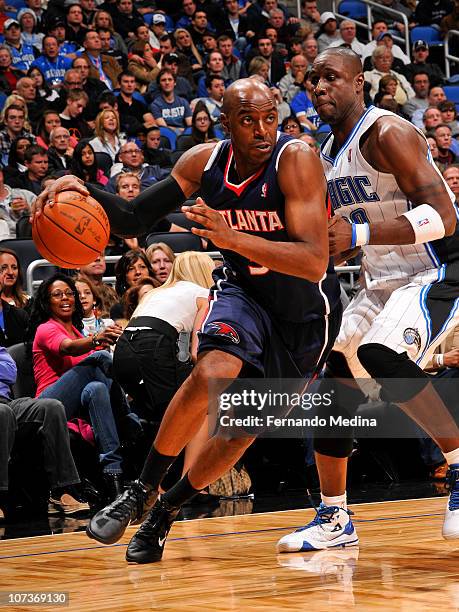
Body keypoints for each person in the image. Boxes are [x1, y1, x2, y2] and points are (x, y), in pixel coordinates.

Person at [34, 77, 340, 562]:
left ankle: (165, 512)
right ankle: (141, 490)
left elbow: (313, 261)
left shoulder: (295, 158)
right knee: (213, 369)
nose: (262, 130)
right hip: (244, 293)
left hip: (305, 314)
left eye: (269, 118)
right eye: (247, 120)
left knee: (242, 429)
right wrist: (84, 188)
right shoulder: (203, 162)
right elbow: (134, 219)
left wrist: (232, 237)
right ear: (225, 123)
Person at [275, 47, 459, 554]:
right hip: (383, 279)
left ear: (360, 83)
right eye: (312, 80)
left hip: (438, 268)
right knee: (333, 386)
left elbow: (445, 217)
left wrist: (357, 232)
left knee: (383, 355)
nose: (319, 87)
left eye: (331, 77)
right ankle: (335, 516)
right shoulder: (323, 153)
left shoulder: (388, 132)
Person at [28, 273, 139, 500]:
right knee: (99, 359)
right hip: (49, 405)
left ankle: (113, 476)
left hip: (77, 406)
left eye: (69, 293)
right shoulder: (46, 328)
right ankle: (127, 419)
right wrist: (97, 340)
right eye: (57, 295)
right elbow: (68, 348)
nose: (65, 298)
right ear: (47, 302)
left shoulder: (78, 331)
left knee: (96, 389)